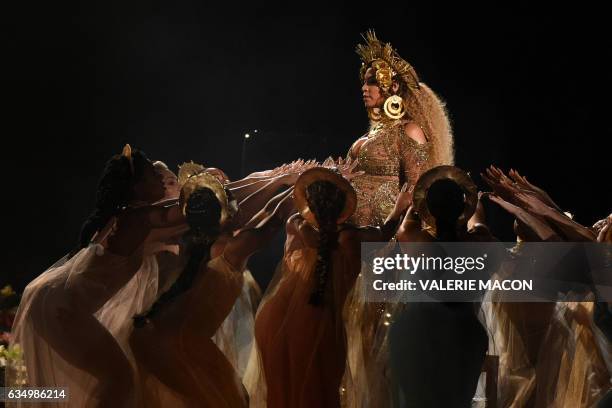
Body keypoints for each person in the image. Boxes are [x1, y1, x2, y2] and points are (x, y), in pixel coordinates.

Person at [7, 145, 186, 408]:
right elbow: (184, 215)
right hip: (62, 306)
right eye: (153, 175)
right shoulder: (137, 217)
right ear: (136, 188)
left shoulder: (128, 215)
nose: (160, 179)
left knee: (101, 381)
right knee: (120, 378)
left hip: (56, 299)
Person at [343, 31, 455, 406]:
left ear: (391, 87)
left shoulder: (407, 129)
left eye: (373, 81)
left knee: (381, 327)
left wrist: (397, 228)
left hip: (387, 240)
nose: (366, 87)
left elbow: (420, 187)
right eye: (364, 81)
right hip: (356, 236)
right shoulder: (367, 135)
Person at [129, 170, 298, 407]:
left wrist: (282, 180)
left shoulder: (193, 241)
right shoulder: (232, 248)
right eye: (236, 205)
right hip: (176, 344)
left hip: (153, 334)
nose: (241, 209)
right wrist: (298, 186)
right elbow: (274, 219)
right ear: (227, 213)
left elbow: (268, 215)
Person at [250, 167, 410, 408]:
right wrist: (400, 209)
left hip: (275, 318)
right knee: (319, 393)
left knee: (284, 392)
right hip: (319, 324)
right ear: (343, 206)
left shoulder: (295, 225)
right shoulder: (352, 238)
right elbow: (387, 231)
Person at [388, 165, 495, 407]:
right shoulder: (479, 242)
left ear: (428, 208)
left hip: (417, 334)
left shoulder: (416, 240)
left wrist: (417, 200)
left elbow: (409, 219)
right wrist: (471, 201)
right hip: (464, 336)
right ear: (462, 207)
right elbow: (479, 220)